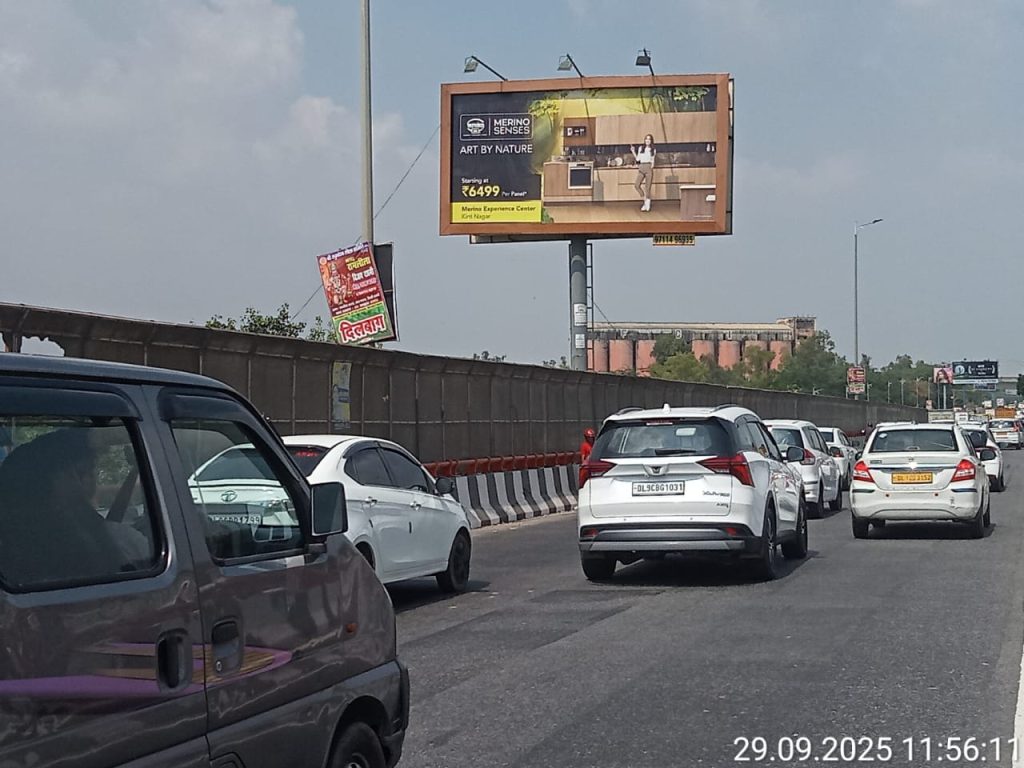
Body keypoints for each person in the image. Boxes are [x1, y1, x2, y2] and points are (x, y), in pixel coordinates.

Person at [630, 134, 657, 212]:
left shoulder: (653, 150)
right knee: (636, 185)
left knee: (647, 188)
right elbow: (638, 159)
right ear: (644, 140)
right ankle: (645, 200)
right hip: (641, 167)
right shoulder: (641, 148)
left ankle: (647, 203)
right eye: (646, 139)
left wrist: (651, 168)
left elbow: (653, 161)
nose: (647, 140)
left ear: (651, 141)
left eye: (649, 139)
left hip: (648, 167)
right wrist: (633, 151)